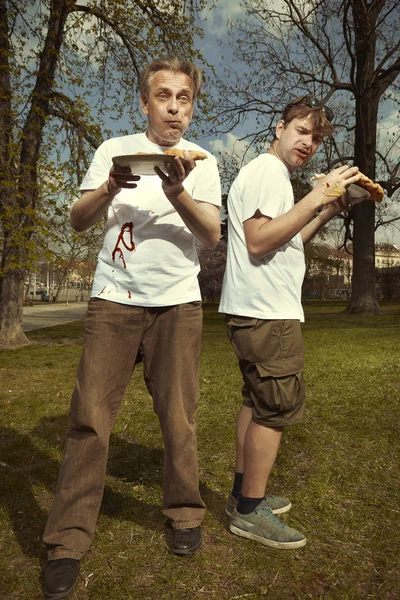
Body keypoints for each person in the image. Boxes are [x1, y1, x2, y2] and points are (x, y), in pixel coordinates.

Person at [42, 56, 221, 599]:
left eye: (183, 97)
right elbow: (77, 219)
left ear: (191, 107)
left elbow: (211, 234)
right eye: (162, 96)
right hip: (113, 301)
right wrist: (108, 189)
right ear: (145, 103)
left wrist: (176, 193)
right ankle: (67, 540)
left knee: (178, 416)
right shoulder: (112, 152)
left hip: (177, 306)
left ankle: (185, 512)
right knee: (90, 419)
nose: (173, 106)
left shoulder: (202, 162)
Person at [219, 96, 364, 550]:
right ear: (279, 128)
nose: (309, 143)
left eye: (317, 138)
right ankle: (250, 512)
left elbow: (287, 239)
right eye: (303, 131)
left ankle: (243, 494)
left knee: (256, 403)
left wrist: (326, 211)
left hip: (253, 309)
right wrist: (317, 194)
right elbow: (260, 242)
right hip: (268, 313)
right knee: (277, 409)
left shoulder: (273, 176)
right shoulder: (267, 172)